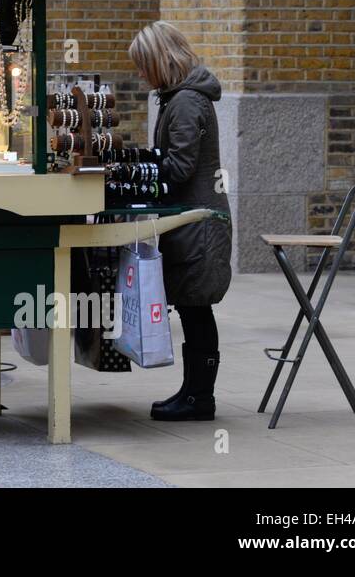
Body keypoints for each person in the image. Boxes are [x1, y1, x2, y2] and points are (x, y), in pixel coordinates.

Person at [128, 21, 232, 421]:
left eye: (143, 65)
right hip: (192, 220)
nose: (141, 74)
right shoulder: (180, 98)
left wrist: (138, 175)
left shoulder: (187, 101)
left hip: (199, 223)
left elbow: (181, 166)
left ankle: (199, 398)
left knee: (196, 308)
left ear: (160, 59)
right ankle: (193, 393)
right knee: (193, 308)